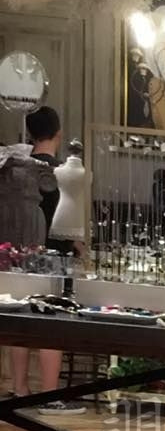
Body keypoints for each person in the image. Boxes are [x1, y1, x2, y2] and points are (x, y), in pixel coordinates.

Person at [3, 107, 83, 414]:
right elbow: (69, 222)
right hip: (54, 255)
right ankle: (49, 396)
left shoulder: (14, 167)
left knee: (21, 321)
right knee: (53, 322)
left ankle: (20, 389)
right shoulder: (61, 173)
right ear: (58, 133)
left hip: (18, 252)